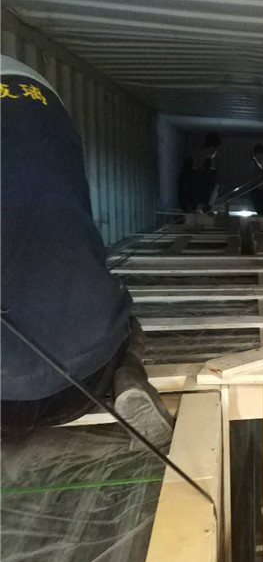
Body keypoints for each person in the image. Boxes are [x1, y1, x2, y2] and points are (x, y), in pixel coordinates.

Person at [1, 55, 172, 446]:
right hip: (86, 382)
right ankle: (128, 372)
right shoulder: (51, 131)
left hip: (4, 402)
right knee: (117, 314)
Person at [178, 132, 221, 213]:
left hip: (196, 198)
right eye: (216, 150)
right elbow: (191, 180)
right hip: (191, 198)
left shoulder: (207, 161)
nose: (216, 153)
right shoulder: (196, 159)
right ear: (212, 148)